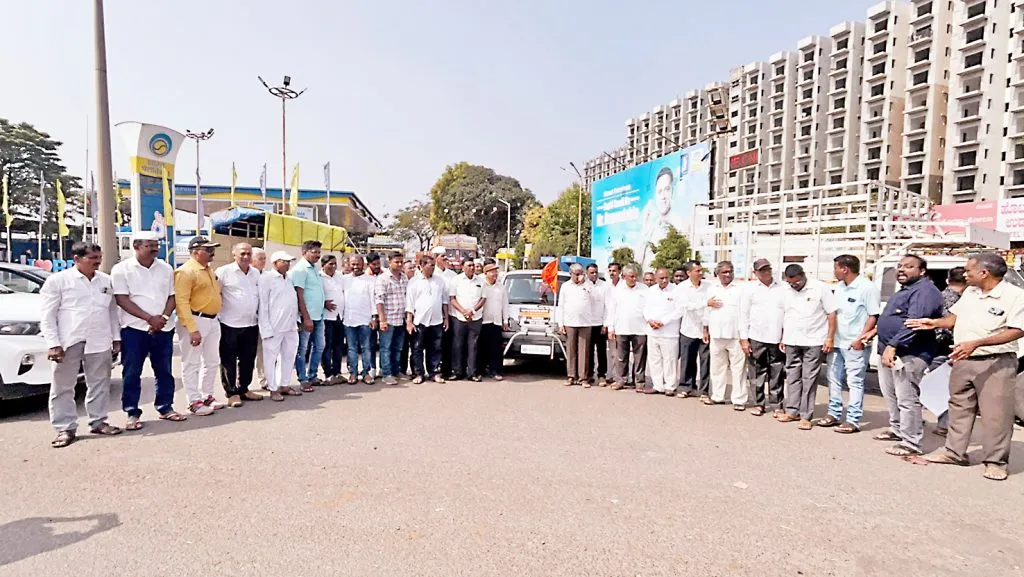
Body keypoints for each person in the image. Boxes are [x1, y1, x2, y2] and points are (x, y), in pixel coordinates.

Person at [909, 253, 1024, 481]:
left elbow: (1018, 329)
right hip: (963, 359)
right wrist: (934, 323)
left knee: (996, 414)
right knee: (959, 407)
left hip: (995, 362)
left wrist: (977, 343)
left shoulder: (1015, 296)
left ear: (984, 273)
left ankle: (995, 461)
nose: (964, 273)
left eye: (968, 269)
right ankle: (954, 452)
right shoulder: (971, 293)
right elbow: (954, 319)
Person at [41, 241, 123, 448]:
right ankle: (65, 428)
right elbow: (47, 316)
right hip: (69, 341)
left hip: (99, 340)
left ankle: (98, 421)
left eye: (99, 258)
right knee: (63, 387)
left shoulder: (105, 281)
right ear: (77, 259)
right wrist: (53, 343)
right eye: (92, 258)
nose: (98, 262)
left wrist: (116, 338)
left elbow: (112, 311)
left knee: (99, 384)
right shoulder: (58, 281)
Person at [870, 255, 944, 457]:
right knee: (891, 394)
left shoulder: (925, 291)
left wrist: (893, 345)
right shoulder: (905, 290)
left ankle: (911, 442)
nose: (902, 270)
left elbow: (915, 323)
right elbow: (895, 317)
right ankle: (897, 430)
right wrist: (875, 332)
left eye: (909, 267)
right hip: (889, 351)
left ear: (922, 271)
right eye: (900, 266)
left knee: (907, 398)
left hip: (909, 352)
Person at [111, 232, 182, 430]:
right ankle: (132, 412)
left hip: (163, 328)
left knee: (164, 371)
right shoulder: (121, 269)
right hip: (134, 330)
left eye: (156, 245)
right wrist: (149, 318)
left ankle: (165, 407)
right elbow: (122, 299)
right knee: (132, 372)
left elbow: (172, 296)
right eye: (150, 245)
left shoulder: (166, 268)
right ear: (136, 246)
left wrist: (164, 318)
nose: (154, 249)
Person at [814, 255, 881, 433]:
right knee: (833, 379)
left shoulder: (867, 288)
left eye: (836, 268)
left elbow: (873, 315)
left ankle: (853, 419)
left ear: (845, 269)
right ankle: (834, 414)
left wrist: (861, 338)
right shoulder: (840, 287)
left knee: (855, 382)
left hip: (854, 344)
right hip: (836, 341)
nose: (834, 271)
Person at [778, 264, 837, 430]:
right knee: (792, 376)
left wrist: (829, 338)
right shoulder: (786, 291)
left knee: (809, 378)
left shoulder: (820, 288)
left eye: (796, 282)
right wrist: (783, 336)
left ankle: (806, 415)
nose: (794, 286)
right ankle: (792, 411)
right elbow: (785, 314)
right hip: (791, 340)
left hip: (814, 340)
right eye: (791, 283)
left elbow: (831, 314)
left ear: (803, 275)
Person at [175, 236, 225, 416]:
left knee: (212, 361)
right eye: (208, 249)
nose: (212, 253)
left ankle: (207, 395)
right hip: (196, 319)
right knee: (192, 363)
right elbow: (181, 301)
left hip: (212, 320)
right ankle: (193, 400)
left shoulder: (208, 270)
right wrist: (191, 328)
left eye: (213, 249)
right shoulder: (186, 271)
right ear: (195, 251)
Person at [215, 243, 263, 408]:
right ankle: (232, 392)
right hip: (229, 324)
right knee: (228, 360)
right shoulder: (223, 272)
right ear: (234, 254)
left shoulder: (255, 273)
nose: (246, 257)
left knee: (248, 358)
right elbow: (215, 294)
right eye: (242, 253)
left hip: (251, 323)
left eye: (249, 254)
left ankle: (244, 388)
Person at [738, 258, 786, 417]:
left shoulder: (783, 288)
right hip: (756, 336)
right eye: (762, 270)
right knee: (757, 372)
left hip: (776, 337)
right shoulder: (749, 289)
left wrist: (785, 336)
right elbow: (743, 314)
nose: (766, 272)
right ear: (755, 273)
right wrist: (744, 339)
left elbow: (788, 313)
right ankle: (759, 403)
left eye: (768, 269)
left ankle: (777, 405)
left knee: (777, 372)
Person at [259, 251, 302, 401]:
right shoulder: (267, 278)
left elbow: (292, 301)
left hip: (290, 325)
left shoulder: (288, 278)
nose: (288, 264)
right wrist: (265, 328)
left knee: (289, 356)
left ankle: (284, 384)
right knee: (270, 359)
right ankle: (272, 388)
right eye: (284, 261)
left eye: (289, 261)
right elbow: (263, 305)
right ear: (275, 263)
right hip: (274, 326)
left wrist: (297, 321)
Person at [704, 261, 747, 409]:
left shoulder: (741, 289)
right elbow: (707, 311)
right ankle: (717, 396)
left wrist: (744, 336)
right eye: (724, 272)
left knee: (738, 369)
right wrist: (705, 330)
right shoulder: (712, 289)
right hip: (716, 334)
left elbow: (744, 314)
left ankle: (739, 400)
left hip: (736, 336)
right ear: (717, 273)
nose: (728, 274)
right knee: (717, 368)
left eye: (730, 271)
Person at [290, 240, 330, 392]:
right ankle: (303, 378)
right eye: (314, 252)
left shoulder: (314, 269)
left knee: (319, 346)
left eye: (319, 252)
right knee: (302, 349)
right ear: (304, 252)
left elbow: (314, 292)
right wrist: (306, 317)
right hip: (307, 317)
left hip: (319, 315)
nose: (317, 255)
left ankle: (312, 375)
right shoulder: (300, 270)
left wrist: (323, 302)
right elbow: (299, 295)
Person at [405, 255, 449, 384]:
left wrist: (446, 318)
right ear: (422, 265)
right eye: (430, 265)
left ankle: (434, 373)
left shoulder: (439, 281)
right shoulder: (414, 281)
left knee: (435, 348)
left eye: (434, 265)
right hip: (419, 321)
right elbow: (410, 304)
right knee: (417, 348)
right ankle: (418, 373)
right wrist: (409, 321)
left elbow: (444, 301)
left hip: (437, 320)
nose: (433, 268)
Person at [934, 266, 967, 436]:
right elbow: (949, 325)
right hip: (944, 348)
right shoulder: (954, 299)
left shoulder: (942, 295)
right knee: (944, 388)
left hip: (940, 347)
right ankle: (944, 425)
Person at [607, 264, 647, 392]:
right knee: (621, 357)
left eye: (636, 276)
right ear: (624, 277)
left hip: (640, 328)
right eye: (631, 276)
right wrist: (610, 328)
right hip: (621, 328)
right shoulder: (617, 290)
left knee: (639, 357)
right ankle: (621, 380)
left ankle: (639, 382)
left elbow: (649, 308)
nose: (634, 279)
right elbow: (611, 310)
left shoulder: (644, 289)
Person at [643, 268, 682, 395]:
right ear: (655, 278)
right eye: (661, 278)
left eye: (666, 277)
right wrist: (650, 320)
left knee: (670, 360)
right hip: (653, 331)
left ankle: (670, 386)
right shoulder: (651, 291)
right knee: (654, 360)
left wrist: (663, 322)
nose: (664, 280)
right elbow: (645, 308)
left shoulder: (676, 290)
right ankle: (657, 385)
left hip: (669, 332)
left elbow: (679, 311)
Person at [558, 264, 596, 387]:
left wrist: (585, 283)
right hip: (570, 322)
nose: (579, 276)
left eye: (581, 273)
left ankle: (583, 378)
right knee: (571, 350)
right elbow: (561, 305)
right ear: (571, 274)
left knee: (584, 351)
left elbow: (594, 298)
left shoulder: (588, 285)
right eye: (576, 274)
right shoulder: (565, 286)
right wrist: (561, 323)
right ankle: (571, 375)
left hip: (585, 322)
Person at [678, 260, 711, 399]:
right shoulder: (682, 287)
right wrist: (704, 303)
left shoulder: (709, 286)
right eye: (697, 271)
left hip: (705, 329)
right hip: (689, 329)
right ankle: (687, 386)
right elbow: (685, 306)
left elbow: (710, 308)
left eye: (701, 270)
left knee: (705, 361)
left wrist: (706, 327)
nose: (701, 273)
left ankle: (704, 390)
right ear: (689, 273)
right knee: (687, 360)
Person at [449, 257, 485, 381]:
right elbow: (452, 299)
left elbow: (483, 299)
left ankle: (472, 373)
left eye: (473, 265)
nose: (471, 268)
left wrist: (472, 311)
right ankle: (458, 372)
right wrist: (463, 311)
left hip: (475, 318)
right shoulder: (456, 280)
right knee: (458, 345)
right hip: (459, 318)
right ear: (462, 266)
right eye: (469, 265)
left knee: (473, 346)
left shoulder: (481, 281)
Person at [375, 253, 409, 385]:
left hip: (400, 319)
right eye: (397, 262)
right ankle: (386, 373)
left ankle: (396, 371)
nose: (400, 264)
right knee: (386, 348)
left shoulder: (404, 278)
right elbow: (379, 300)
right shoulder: (383, 279)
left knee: (398, 347)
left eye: (401, 262)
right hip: (388, 319)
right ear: (389, 263)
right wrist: (382, 320)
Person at [343, 255, 376, 383]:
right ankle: (353, 373)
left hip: (366, 318)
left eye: (358, 264)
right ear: (349, 265)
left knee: (366, 347)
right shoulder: (344, 279)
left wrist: (374, 317)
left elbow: (374, 300)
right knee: (351, 348)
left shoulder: (371, 280)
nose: (355, 267)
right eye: (353, 264)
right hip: (349, 319)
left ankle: (366, 373)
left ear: (364, 264)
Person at [479, 263, 510, 380]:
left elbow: (505, 304)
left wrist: (505, 320)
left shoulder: (501, 287)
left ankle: (495, 371)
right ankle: (480, 370)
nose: (495, 274)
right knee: (482, 348)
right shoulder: (482, 286)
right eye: (492, 272)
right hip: (483, 321)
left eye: (496, 271)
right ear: (486, 273)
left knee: (496, 348)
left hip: (496, 321)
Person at [320, 254, 346, 385]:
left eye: (335, 264)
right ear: (323, 265)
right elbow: (314, 295)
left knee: (338, 346)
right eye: (330, 264)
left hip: (339, 317)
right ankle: (328, 374)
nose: (333, 266)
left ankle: (337, 372)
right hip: (326, 317)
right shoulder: (319, 277)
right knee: (327, 346)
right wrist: (323, 303)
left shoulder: (340, 276)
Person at [434, 247, 458, 377]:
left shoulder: (452, 275)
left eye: (446, 256)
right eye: (442, 256)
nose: (446, 259)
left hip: (450, 314)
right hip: (434, 315)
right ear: (436, 258)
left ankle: (447, 371)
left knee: (448, 344)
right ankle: (434, 370)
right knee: (436, 345)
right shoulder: (432, 273)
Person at [586, 263, 610, 386]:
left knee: (601, 351)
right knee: (588, 351)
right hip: (587, 324)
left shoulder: (604, 286)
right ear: (587, 273)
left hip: (600, 324)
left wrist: (605, 324)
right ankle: (589, 374)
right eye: (591, 272)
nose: (594, 274)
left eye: (596, 272)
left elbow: (607, 306)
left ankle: (601, 375)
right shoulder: (584, 285)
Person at [252, 247, 269, 390]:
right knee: (245, 353)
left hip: (264, 320)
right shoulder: (249, 275)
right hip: (247, 321)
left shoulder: (268, 276)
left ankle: (264, 379)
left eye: (264, 258)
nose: (263, 261)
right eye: (260, 258)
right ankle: (241, 382)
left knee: (263, 351)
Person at [365, 252, 383, 377]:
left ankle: (384, 368)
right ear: (368, 264)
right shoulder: (365, 276)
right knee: (370, 343)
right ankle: (371, 367)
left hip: (383, 315)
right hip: (369, 315)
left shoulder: (385, 274)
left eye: (378, 263)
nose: (377, 266)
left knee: (384, 344)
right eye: (374, 264)